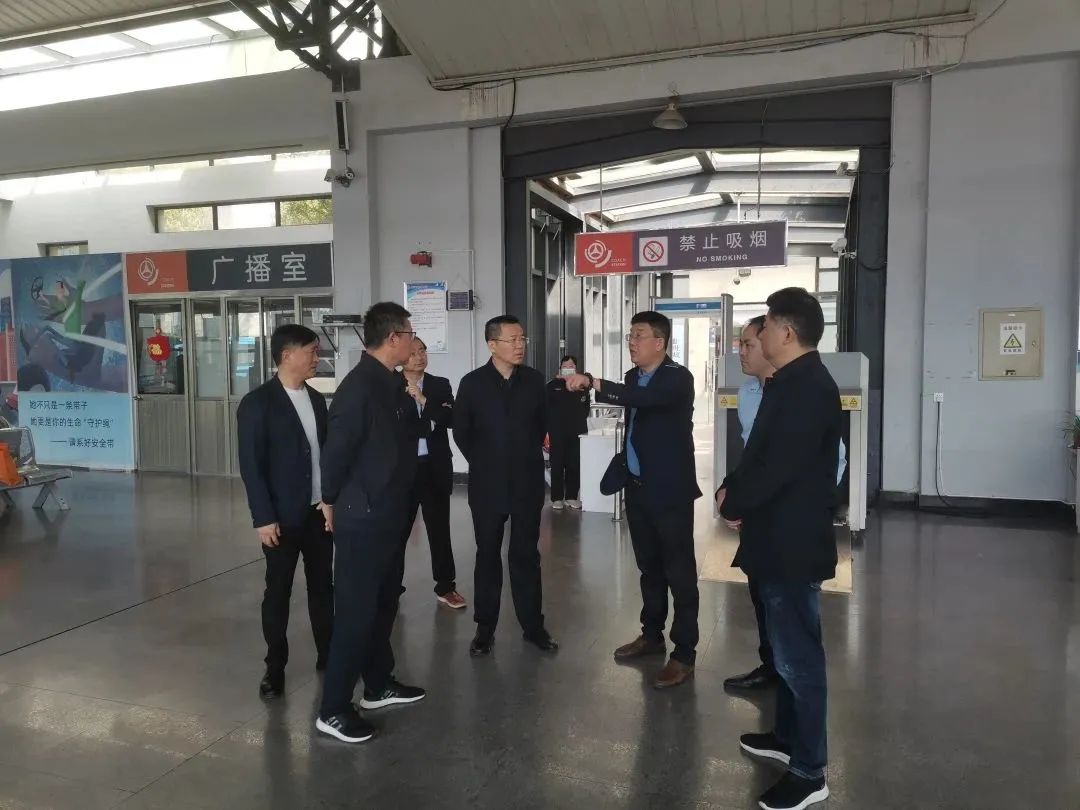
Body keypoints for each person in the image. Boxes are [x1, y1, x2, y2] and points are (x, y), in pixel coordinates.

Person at [715, 288, 841, 810]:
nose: (759, 334)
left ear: (786, 332)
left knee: (799, 660)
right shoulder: (787, 382)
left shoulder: (808, 388)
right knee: (786, 655)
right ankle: (787, 741)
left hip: (792, 543)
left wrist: (734, 499)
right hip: (773, 538)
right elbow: (758, 455)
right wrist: (732, 489)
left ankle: (810, 773)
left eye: (764, 326)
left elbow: (777, 467)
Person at [566, 311, 701, 689]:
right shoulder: (631, 377)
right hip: (638, 488)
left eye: (638, 336)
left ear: (660, 342)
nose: (631, 342)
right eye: (630, 335)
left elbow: (646, 399)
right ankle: (651, 634)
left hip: (670, 490)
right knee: (649, 567)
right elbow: (634, 403)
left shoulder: (677, 378)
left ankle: (684, 653)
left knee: (679, 572)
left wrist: (594, 381)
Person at [315, 302, 425, 745]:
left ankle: (378, 685)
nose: (414, 342)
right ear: (394, 337)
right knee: (356, 613)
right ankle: (333, 709)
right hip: (363, 516)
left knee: (383, 604)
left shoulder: (391, 383)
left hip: (390, 513)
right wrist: (329, 500)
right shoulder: (358, 388)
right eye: (410, 334)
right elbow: (336, 454)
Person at [726, 316, 848, 693]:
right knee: (762, 595)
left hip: (789, 522)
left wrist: (806, 504)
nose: (743, 351)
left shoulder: (801, 391)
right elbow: (753, 456)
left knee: (792, 613)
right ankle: (771, 665)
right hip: (760, 516)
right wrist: (732, 491)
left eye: (751, 342)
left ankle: (793, 688)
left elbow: (832, 459)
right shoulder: (749, 394)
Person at [237, 324, 333, 700]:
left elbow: (324, 455)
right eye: (312, 351)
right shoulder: (258, 403)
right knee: (278, 592)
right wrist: (262, 517)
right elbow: (252, 466)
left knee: (323, 587)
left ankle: (328, 655)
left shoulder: (317, 399)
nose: (317, 358)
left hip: (317, 513)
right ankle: (275, 666)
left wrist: (329, 500)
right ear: (287, 354)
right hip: (279, 518)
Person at [453, 315, 558, 657]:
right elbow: (462, 431)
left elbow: (542, 424)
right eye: (512, 340)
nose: (519, 345)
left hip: (527, 483)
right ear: (492, 344)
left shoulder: (534, 380)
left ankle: (533, 626)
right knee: (487, 555)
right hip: (487, 485)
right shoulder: (472, 383)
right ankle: (485, 629)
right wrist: (486, 462)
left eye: (522, 339)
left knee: (526, 555)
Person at [400, 337, 467, 610]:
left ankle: (446, 587)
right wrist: (428, 419)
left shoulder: (440, 385)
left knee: (439, 531)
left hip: (434, 467)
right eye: (413, 352)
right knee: (397, 532)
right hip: (402, 470)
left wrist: (423, 399)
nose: (419, 357)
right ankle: (391, 586)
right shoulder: (390, 385)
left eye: (423, 351)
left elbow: (450, 419)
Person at [546, 355, 590, 511]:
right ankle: (557, 498)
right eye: (564, 366)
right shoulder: (552, 385)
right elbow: (545, 408)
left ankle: (571, 497)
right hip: (557, 432)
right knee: (557, 465)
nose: (567, 369)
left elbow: (585, 409)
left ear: (575, 369)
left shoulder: (582, 387)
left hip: (577, 432)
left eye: (571, 366)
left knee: (574, 464)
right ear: (560, 369)